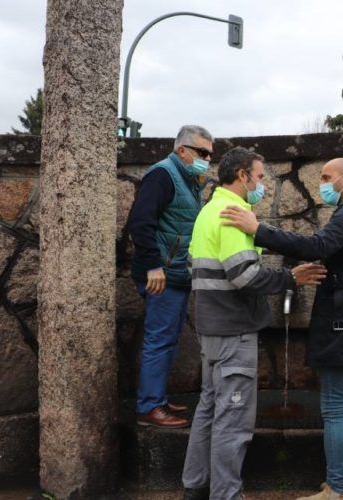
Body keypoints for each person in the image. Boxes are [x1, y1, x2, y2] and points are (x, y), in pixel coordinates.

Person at [220, 157, 343, 500]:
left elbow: (318, 245)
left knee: (335, 406)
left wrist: (258, 230)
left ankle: (336, 489)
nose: (322, 184)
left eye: (327, 177)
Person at [182, 147, 327, 500]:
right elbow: (244, 276)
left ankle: (195, 487)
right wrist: (290, 278)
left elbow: (194, 267)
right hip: (233, 331)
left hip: (210, 328)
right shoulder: (234, 213)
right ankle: (227, 495)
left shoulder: (207, 211)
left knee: (208, 410)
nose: (262, 185)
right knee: (233, 421)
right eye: (259, 177)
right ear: (243, 175)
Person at [129, 125, 214, 428]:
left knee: (169, 339)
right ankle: (150, 407)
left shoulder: (189, 179)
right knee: (160, 340)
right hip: (161, 275)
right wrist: (154, 266)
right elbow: (140, 221)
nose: (207, 158)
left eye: (209, 154)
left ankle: (158, 399)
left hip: (175, 273)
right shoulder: (163, 175)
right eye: (202, 152)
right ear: (182, 150)